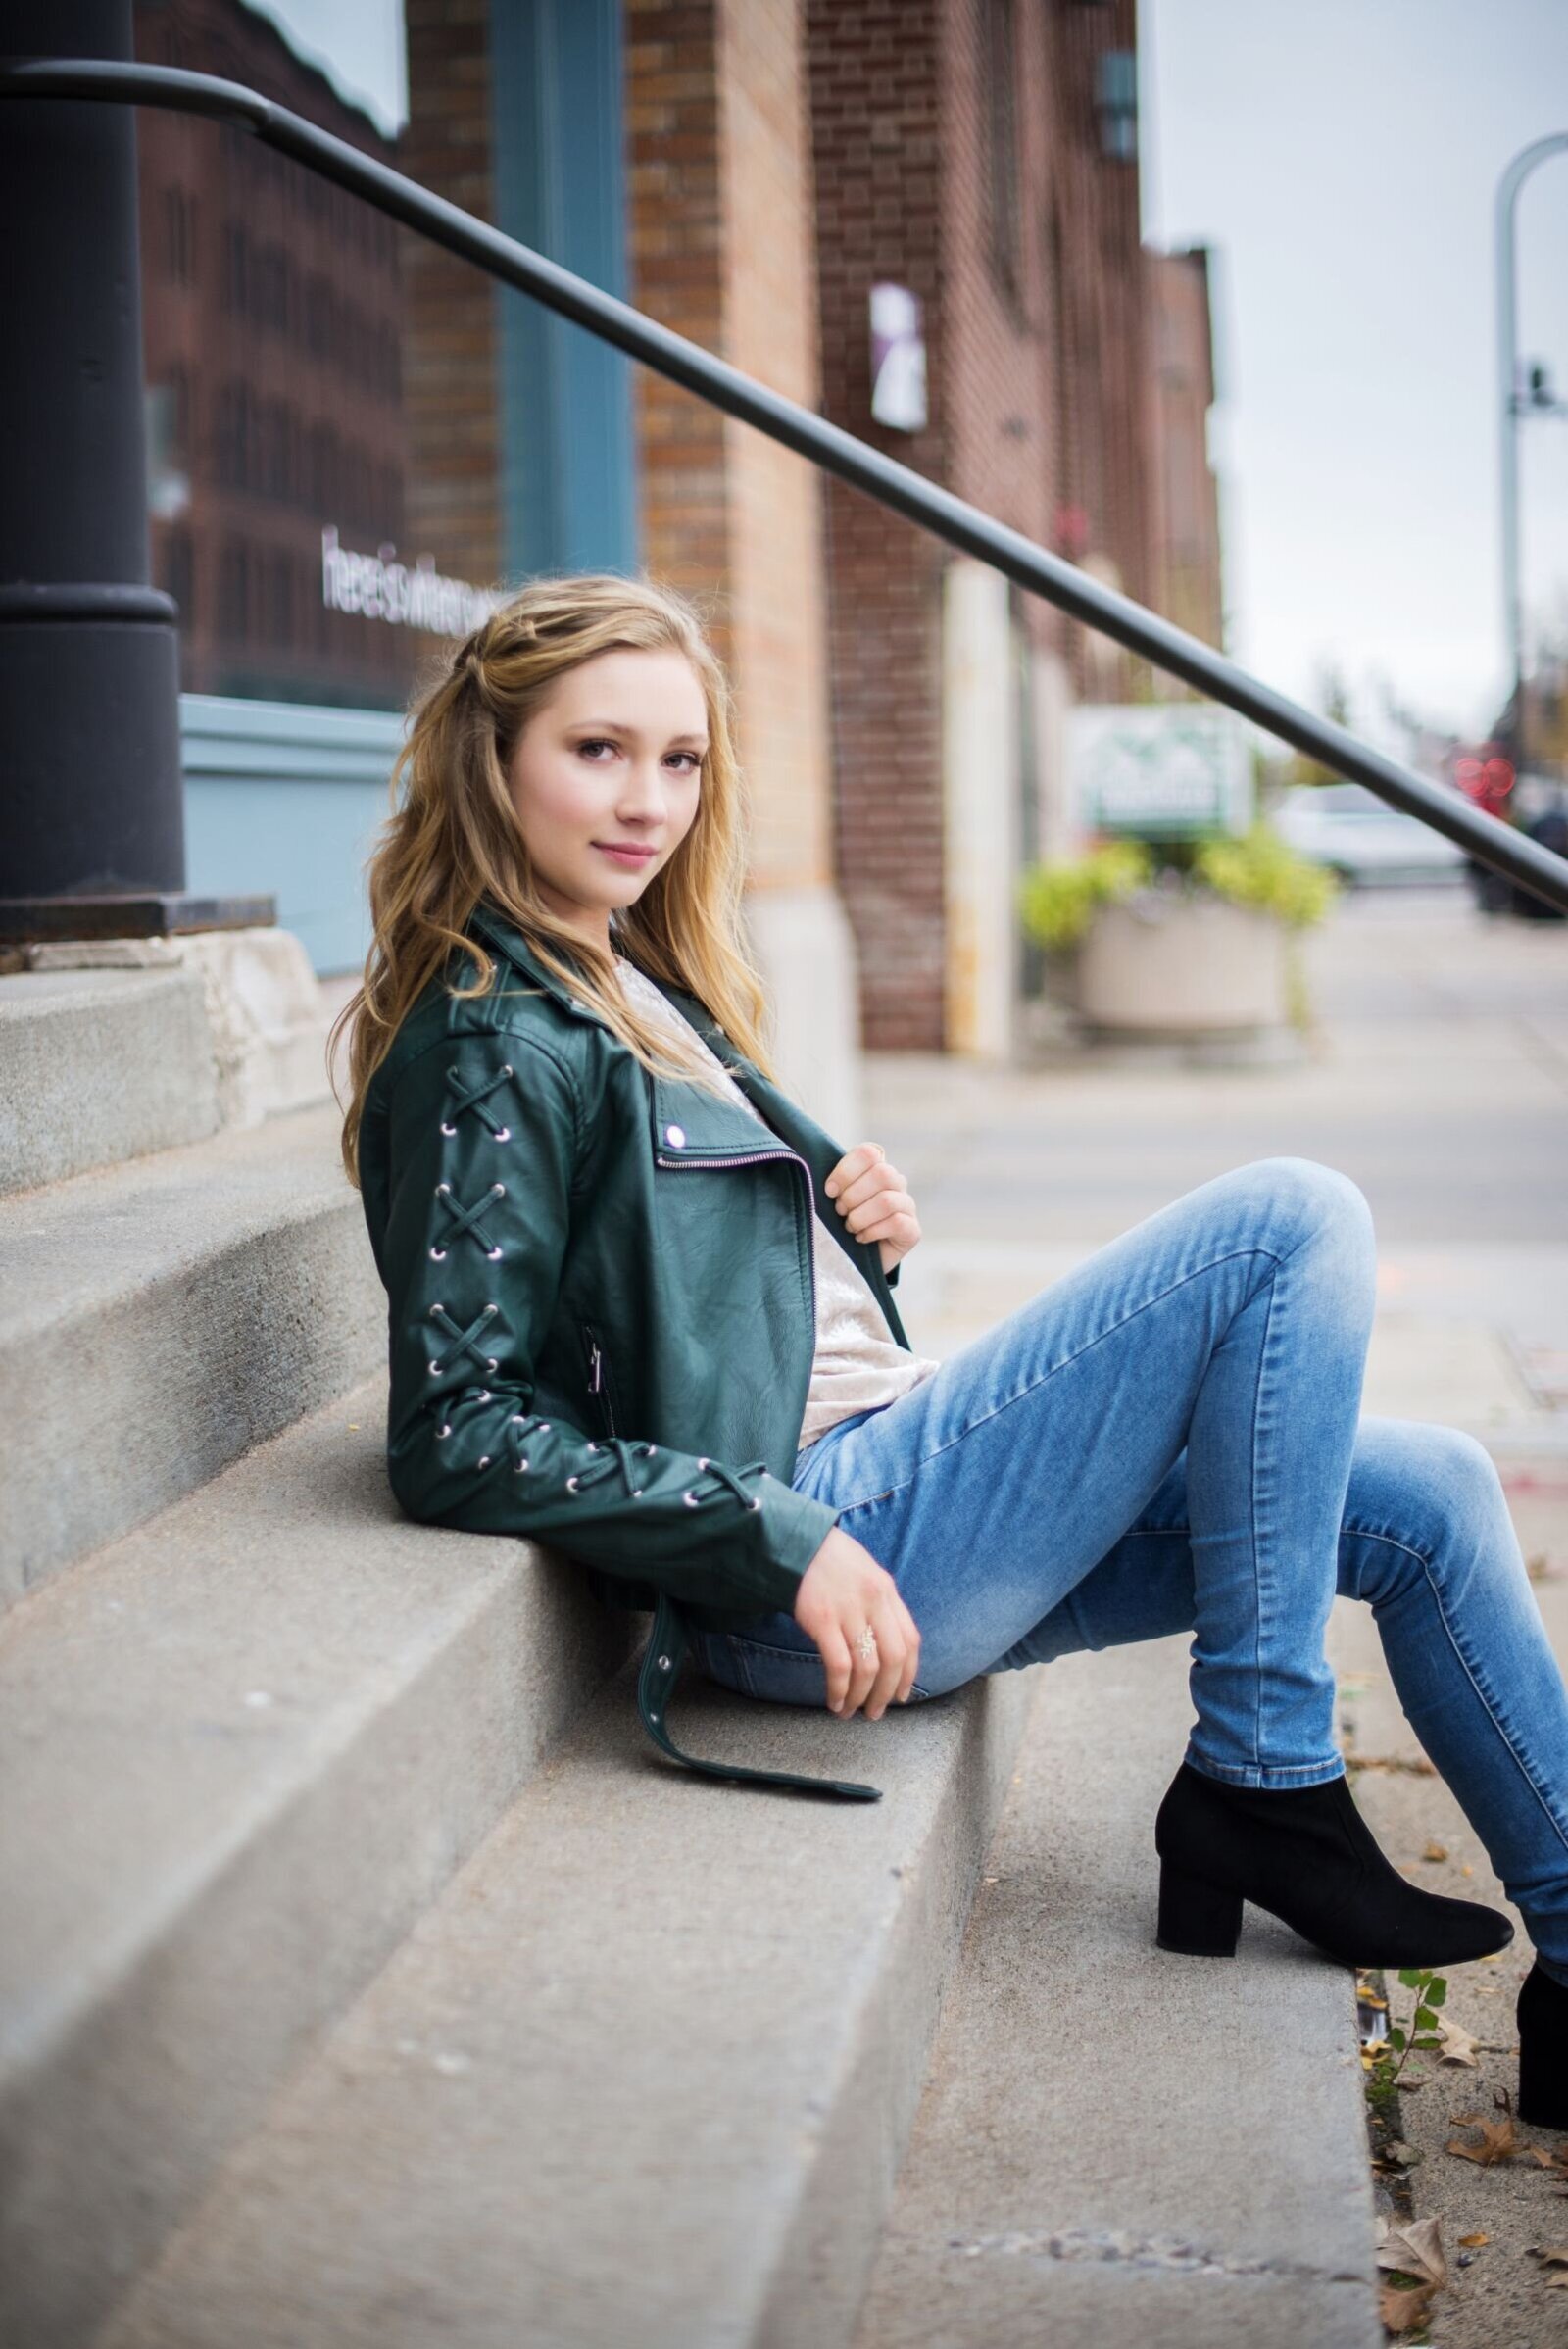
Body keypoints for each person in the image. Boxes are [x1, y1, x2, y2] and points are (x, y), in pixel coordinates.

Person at [333, 571, 1568, 2128]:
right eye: (597, 751)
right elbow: (459, 1421)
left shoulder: (629, 971)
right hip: (823, 1539)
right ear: (492, 756)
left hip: (880, 1465)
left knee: (1437, 1491)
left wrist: (854, 1240)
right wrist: (772, 1533)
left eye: (681, 759)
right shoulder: (492, 1038)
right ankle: (1263, 1774)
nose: (646, 799)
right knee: (1287, 1220)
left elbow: (668, 1295)